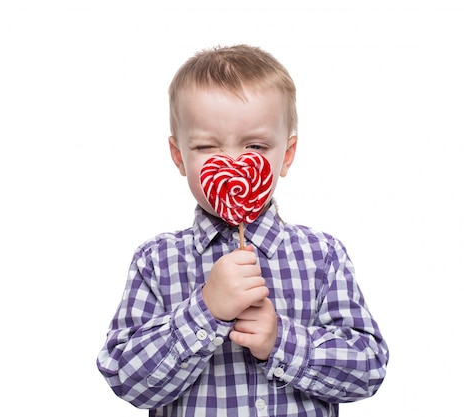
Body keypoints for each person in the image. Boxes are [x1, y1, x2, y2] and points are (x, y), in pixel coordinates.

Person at [97, 44, 389, 417]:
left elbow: (369, 369)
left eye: (255, 145)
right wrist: (205, 310)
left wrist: (281, 340)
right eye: (206, 146)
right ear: (178, 156)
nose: (233, 162)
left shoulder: (322, 255)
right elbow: (126, 379)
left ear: (286, 154)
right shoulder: (156, 261)